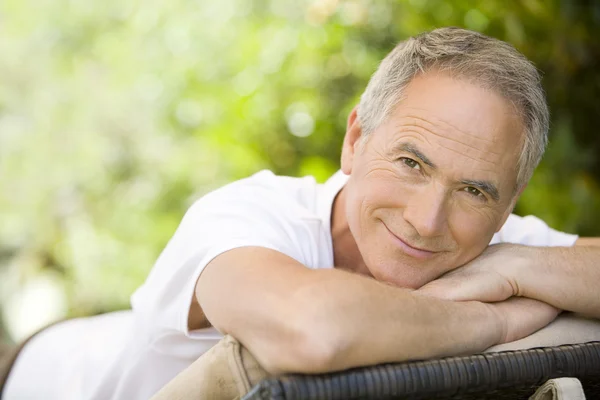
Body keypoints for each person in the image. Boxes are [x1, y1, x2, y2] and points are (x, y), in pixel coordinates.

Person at [3, 27, 600, 400]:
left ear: (508, 203)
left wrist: (519, 264)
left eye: (474, 190)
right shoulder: (248, 213)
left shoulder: (495, 243)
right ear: (355, 141)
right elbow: (311, 330)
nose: (426, 220)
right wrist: (492, 322)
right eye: (412, 162)